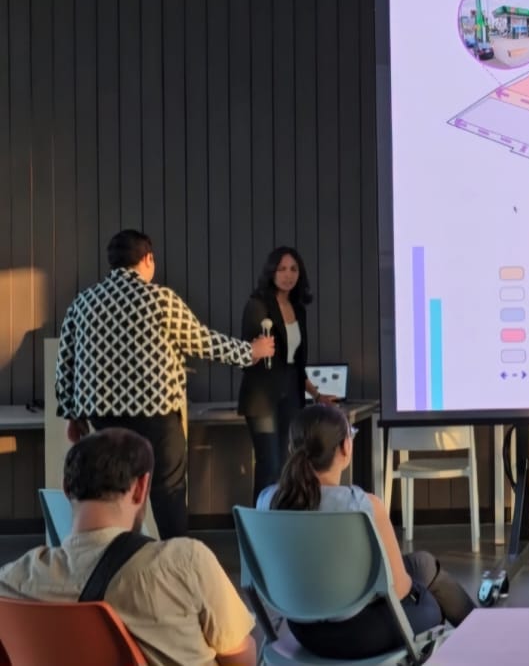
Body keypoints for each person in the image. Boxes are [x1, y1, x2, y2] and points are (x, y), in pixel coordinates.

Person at [56, 229, 274, 539]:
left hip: (102, 417)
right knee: (167, 491)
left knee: (113, 489)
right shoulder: (159, 299)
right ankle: (174, 557)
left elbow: (65, 362)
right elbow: (202, 342)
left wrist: (72, 414)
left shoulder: (83, 303)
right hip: (156, 415)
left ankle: (117, 555)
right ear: (147, 259)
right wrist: (250, 352)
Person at [0, 429, 256, 666]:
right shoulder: (184, 561)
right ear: (141, 487)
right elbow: (241, 660)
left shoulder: (12, 581)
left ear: (66, 488)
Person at [258, 404, 476, 659]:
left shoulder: (267, 500)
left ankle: (483, 634)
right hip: (361, 634)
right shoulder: (363, 506)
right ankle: (486, 640)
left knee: (424, 563)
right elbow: (400, 590)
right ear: (345, 447)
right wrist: (420, 590)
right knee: (430, 599)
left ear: (291, 447)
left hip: (303, 629)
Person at [239, 246, 332, 499]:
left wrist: (316, 394)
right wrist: (256, 350)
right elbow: (245, 353)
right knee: (269, 463)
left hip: (291, 391)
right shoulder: (257, 305)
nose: (288, 275)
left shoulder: (298, 308)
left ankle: (284, 515)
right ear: (271, 272)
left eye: (293, 269)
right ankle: (261, 519)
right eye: (281, 269)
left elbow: (297, 364)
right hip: (263, 393)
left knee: (288, 463)